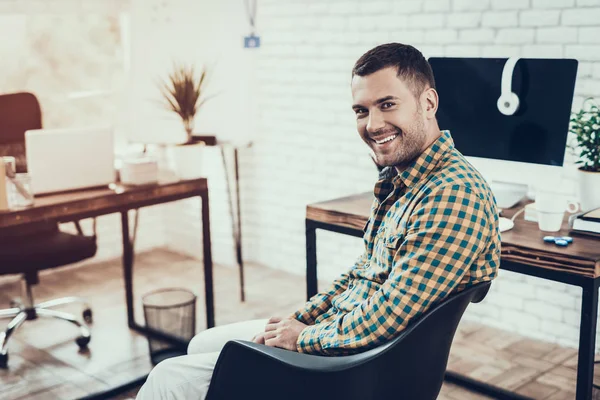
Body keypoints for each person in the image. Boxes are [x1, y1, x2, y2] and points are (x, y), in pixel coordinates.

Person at [136, 42, 500, 399]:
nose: (373, 124)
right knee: (201, 343)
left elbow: (389, 314)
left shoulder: (453, 194)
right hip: (344, 339)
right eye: (361, 111)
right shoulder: (403, 180)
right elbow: (363, 274)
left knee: (169, 379)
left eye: (387, 105)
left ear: (428, 103)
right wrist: (296, 319)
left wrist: (301, 337)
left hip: (359, 370)